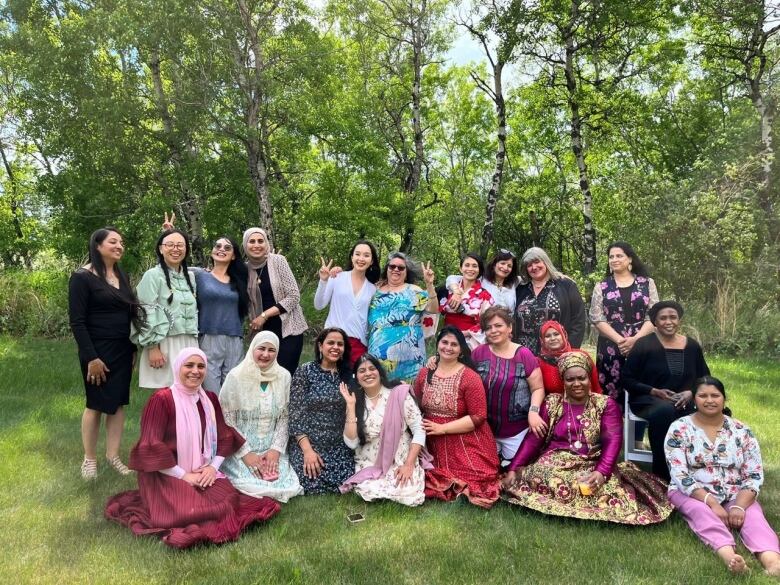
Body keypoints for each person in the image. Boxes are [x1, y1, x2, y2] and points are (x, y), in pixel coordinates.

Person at [104, 348, 280, 549]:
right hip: (165, 473)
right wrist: (184, 476)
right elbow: (151, 446)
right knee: (186, 512)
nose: (195, 371)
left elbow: (224, 434)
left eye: (201, 366)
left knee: (228, 499)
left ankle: (199, 490)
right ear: (178, 367)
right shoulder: (161, 400)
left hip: (200, 469)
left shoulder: (209, 399)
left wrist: (212, 468)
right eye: (189, 365)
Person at [503, 352, 672, 525]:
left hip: (592, 461)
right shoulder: (553, 402)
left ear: (589, 378)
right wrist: (513, 468)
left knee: (601, 487)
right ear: (563, 381)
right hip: (555, 463)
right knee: (542, 474)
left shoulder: (605, 404)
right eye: (570, 379)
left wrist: (601, 472)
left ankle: (561, 499)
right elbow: (534, 439)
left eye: (581, 378)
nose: (576, 384)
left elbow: (613, 442)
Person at [665, 377, 780, 576]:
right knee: (704, 515)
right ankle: (731, 558)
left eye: (715, 395)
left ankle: (773, 562)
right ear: (695, 399)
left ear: (724, 399)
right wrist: (712, 503)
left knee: (754, 517)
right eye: (703, 395)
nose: (709, 400)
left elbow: (753, 474)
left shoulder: (741, 430)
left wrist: (739, 506)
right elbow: (679, 474)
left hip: (735, 492)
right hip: (692, 492)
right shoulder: (679, 428)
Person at [68, 227, 141, 479]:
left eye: (121, 242)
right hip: (96, 350)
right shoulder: (82, 277)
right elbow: (77, 321)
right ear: (97, 246)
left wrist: (133, 349)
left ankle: (113, 456)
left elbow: (129, 314)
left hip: (122, 348)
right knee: (95, 403)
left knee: (117, 403)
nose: (119, 246)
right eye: (113, 242)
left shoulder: (122, 274)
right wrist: (92, 357)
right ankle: (89, 459)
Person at [414, 326, 501, 508]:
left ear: (461, 349)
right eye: (444, 342)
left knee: (477, 479)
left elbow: (478, 416)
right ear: (437, 345)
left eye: (454, 344)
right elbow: (415, 405)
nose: (448, 347)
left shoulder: (470, 377)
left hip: (465, 437)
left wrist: (442, 428)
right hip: (431, 441)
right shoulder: (424, 373)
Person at [623, 300, 710, 481]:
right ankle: (663, 475)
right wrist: (654, 391)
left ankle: (702, 469)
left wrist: (691, 393)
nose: (668, 321)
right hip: (647, 399)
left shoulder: (692, 346)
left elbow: (705, 378)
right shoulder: (643, 344)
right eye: (663, 318)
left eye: (673, 317)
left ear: (679, 320)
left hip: (684, 400)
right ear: (655, 322)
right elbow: (626, 379)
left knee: (713, 409)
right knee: (665, 411)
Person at [219, 332, 303, 502]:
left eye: (271, 350)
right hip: (241, 448)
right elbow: (227, 420)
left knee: (286, 484)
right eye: (261, 348)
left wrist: (275, 450)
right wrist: (246, 454)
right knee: (249, 482)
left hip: (271, 447)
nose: (266, 354)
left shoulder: (284, 376)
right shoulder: (236, 377)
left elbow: (285, 416)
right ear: (252, 349)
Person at [339, 354, 428, 506]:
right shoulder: (356, 402)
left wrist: (408, 465)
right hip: (370, 462)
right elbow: (352, 443)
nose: (367, 373)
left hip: (401, 459)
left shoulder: (399, 394)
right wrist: (350, 406)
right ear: (357, 377)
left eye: (372, 369)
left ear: (380, 372)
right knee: (370, 489)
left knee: (406, 490)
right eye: (362, 371)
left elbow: (419, 430)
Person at [471, 306, 545, 463]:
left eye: (498, 325)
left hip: (516, 429)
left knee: (513, 472)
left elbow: (538, 388)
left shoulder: (524, 354)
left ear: (509, 327)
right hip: (485, 428)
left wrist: (534, 412)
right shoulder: (478, 353)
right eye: (489, 327)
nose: (493, 331)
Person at [589, 241, 659, 403]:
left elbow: (654, 315)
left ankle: (638, 426)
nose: (614, 259)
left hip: (643, 343)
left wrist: (635, 340)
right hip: (611, 345)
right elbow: (597, 317)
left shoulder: (647, 283)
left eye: (619, 255)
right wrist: (621, 341)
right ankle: (613, 426)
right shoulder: (602, 286)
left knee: (643, 389)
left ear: (630, 259)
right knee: (610, 391)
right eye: (611, 257)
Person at [288, 328, 355, 494]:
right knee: (309, 479)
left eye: (340, 344)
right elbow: (296, 414)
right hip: (309, 442)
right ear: (320, 346)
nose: (335, 347)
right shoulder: (306, 371)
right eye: (330, 343)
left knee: (347, 479)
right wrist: (307, 451)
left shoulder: (347, 375)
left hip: (337, 444)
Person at [132, 228, 198, 389]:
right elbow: (145, 311)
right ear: (161, 249)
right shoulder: (152, 275)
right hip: (164, 343)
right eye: (170, 245)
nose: (175, 249)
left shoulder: (190, 276)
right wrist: (152, 347)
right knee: (167, 395)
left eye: (180, 245)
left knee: (189, 392)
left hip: (189, 341)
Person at [242, 227, 308, 374]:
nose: (256, 245)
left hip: (288, 329)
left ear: (267, 243)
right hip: (262, 331)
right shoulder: (244, 269)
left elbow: (293, 296)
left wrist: (264, 316)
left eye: (260, 241)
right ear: (245, 245)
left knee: (284, 374)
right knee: (263, 375)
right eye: (251, 241)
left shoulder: (278, 261)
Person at [367, 252, 438, 381]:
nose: (396, 270)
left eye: (401, 268)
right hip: (378, 357)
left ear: (406, 272)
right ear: (387, 269)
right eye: (392, 266)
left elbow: (433, 310)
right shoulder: (374, 291)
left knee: (409, 398)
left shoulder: (414, 290)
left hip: (411, 361)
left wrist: (429, 285)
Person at [192, 236, 249, 393]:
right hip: (209, 338)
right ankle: (211, 419)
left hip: (235, 340)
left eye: (227, 247)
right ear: (212, 251)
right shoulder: (199, 275)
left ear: (234, 255)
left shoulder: (240, 280)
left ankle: (228, 419)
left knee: (232, 392)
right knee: (211, 393)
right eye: (217, 246)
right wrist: (169, 235)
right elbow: (170, 269)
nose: (221, 249)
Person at [314, 240, 380, 367]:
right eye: (357, 254)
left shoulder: (373, 289)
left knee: (354, 383)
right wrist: (323, 281)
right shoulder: (337, 277)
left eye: (366, 255)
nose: (361, 258)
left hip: (358, 344)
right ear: (352, 257)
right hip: (333, 340)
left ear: (371, 261)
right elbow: (319, 305)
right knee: (330, 380)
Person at [514, 247, 586, 354]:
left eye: (537, 262)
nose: (534, 267)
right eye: (529, 265)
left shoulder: (566, 285)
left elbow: (578, 320)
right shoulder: (520, 289)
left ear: (546, 262)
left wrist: (570, 350)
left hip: (557, 353)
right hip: (525, 354)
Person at [438, 252, 494, 347]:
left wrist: (462, 334)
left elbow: (486, 323)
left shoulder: (485, 296)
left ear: (479, 270)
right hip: (446, 337)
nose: (470, 269)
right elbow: (435, 311)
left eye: (474, 266)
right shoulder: (449, 289)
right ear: (461, 268)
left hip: (469, 339)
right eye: (467, 265)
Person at [536, 320, 601, 395]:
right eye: (547, 336)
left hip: (584, 403)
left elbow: (596, 387)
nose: (553, 338)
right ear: (542, 340)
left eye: (556, 334)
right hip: (553, 405)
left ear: (563, 335)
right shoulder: (538, 363)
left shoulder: (581, 356)